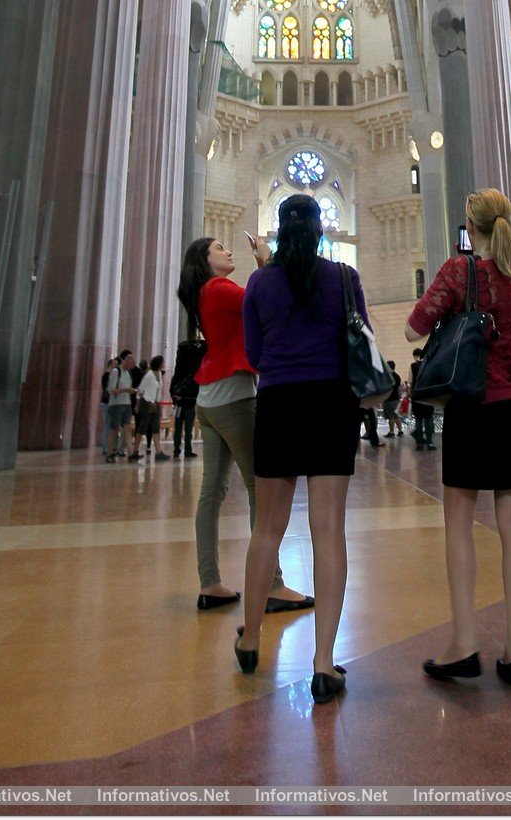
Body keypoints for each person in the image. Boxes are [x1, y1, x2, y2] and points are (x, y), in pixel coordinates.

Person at [405, 188, 511, 687]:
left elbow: (411, 328)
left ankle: (464, 643)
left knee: (459, 522)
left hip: (474, 403)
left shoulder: (457, 271)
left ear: (470, 225)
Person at [236, 193, 367, 705]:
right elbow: (363, 339)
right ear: (319, 231)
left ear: (277, 232)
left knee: (266, 529)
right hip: (332, 403)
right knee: (328, 530)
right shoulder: (343, 279)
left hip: (278, 404)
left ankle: (249, 640)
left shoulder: (259, 283)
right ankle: (321, 664)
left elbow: (252, 353)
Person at [177, 234, 313, 616]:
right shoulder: (219, 288)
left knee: (211, 494)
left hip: (210, 399)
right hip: (234, 396)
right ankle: (272, 585)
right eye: (219, 248)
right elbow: (265, 302)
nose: (227, 251)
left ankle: (210, 583)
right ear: (205, 261)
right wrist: (265, 262)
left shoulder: (205, 291)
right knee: (262, 489)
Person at [169, 338, 201, 460]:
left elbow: (172, 389)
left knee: (183, 429)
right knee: (184, 429)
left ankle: (182, 450)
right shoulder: (188, 378)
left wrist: (176, 399)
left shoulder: (177, 377)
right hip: (185, 405)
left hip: (183, 405)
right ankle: (182, 450)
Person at [134, 355, 169, 461]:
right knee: (143, 427)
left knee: (156, 428)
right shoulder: (149, 375)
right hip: (147, 403)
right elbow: (140, 390)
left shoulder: (159, 373)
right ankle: (135, 450)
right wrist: (137, 405)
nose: (163, 364)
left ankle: (158, 452)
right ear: (158, 363)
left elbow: (159, 389)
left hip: (156, 404)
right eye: (162, 362)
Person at [105, 349, 136, 462]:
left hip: (126, 403)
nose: (132, 367)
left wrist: (130, 391)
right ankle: (110, 453)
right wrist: (126, 390)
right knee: (114, 429)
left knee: (127, 428)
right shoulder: (115, 372)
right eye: (131, 364)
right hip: (116, 405)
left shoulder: (128, 373)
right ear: (126, 362)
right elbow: (112, 390)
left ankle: (131, 452)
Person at [410, 348, 436, 451]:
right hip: (428, 395)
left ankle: (419, 444)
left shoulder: (413, 366)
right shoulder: (430, 364)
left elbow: (410, 381)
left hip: (417, 396)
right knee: (429, 419)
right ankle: (429, 443)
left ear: (415, 356)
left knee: (418, 420)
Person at [383, 361, 403, 437]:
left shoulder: (386, 377)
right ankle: (400, 431)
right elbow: (399, 389)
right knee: (397, 416)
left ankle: (391, 432)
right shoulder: (397, 376)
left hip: (389, 399)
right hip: (396, 399)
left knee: (391, 416)